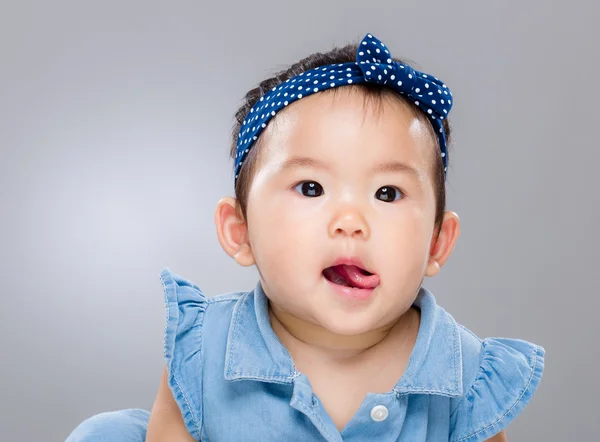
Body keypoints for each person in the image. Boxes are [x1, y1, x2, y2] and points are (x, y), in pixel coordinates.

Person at [66, 33, 544, 442]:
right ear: (241, 232)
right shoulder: (203, 350)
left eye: (388, 192)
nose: (351, 220)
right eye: (311, 188)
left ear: (438, 242)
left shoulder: (466, 375)